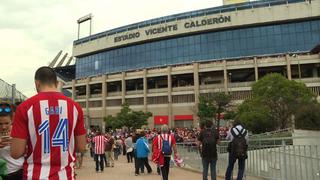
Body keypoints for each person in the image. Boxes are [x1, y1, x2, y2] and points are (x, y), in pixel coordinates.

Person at [10, 66, 87, 179]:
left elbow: (16, 153)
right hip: (65, 175)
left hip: (35, 175)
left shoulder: (25, 107)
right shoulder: (75, 107)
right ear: (56, 83)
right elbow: (81, 147)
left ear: (37, 83)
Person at [0, 102, 24, 179]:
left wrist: (17, 144)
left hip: (19, 171)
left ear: (12, 120)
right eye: (0, 124)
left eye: (7, 123)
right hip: (3, 173)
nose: (3, 127)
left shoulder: (18, 131)